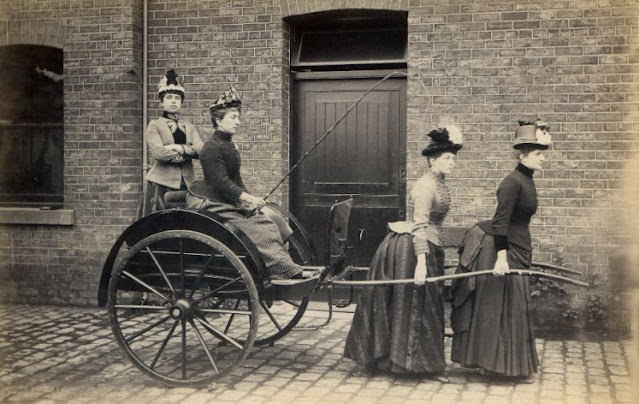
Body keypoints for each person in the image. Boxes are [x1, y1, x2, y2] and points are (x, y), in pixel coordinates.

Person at [344, 125, 463, 379]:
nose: (452, 162)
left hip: (428, 246)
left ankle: (418, 362)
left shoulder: (438, 182)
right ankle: (405, 363)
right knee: (413, 305)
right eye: (447, 158)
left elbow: (433, 224)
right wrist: (421, 262)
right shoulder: (425, 187)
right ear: (433, 160)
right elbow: (420, 225)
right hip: (413, 250)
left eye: (454, 158)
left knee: (424, 305)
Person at [450, 119, 552, 383]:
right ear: (522, 155)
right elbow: (500, 222)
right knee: (500, 307)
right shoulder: (512, 183)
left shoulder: (526, 180)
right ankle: (495, 364)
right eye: (538, 154)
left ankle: (506, 363)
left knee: (512, 307)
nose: (543, 159)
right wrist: (501, 256)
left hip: (520, 244)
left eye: (542, 153)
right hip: (504, 248)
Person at [186, 87, 302, 279]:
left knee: (268, 218)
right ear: (218, 120)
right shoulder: (210, 148)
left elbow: (236, 179)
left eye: (237, 117)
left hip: (224, 199)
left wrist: (251, 202)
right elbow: (220, 183)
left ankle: (280, 267)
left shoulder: (229, 145)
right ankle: (279, 270)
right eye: (233, 117)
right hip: (210, 203)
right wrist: (247, 198)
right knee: (258, 227)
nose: (238, 122)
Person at [142, 69, 203, 215]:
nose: (173, 101)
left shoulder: (189, 126)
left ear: (181, 102)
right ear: (162, 102)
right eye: (169, 97)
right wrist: (188, 151)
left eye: (177, 98)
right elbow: (159, 153)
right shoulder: (155, 125)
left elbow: (201, 150)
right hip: (161, 185)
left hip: (187, 185)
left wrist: (177, 148)